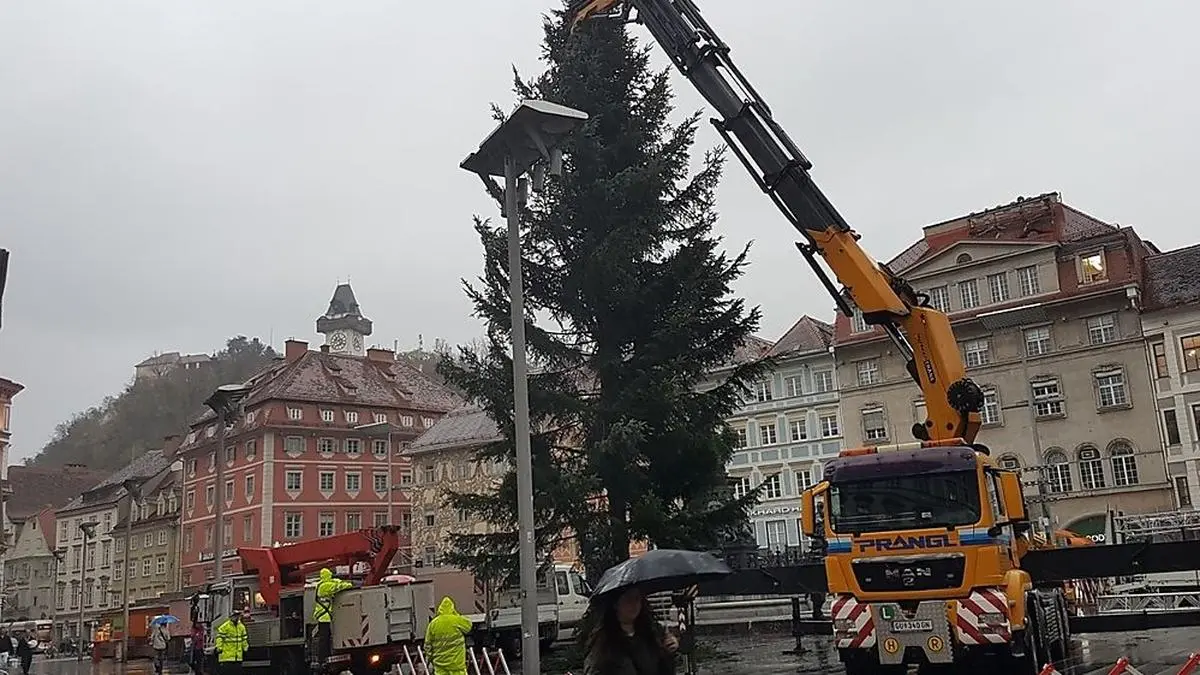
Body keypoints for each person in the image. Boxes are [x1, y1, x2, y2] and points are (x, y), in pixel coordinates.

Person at [580, 587, 678, 675]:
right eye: (628, 599)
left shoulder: (652, 632)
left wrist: (668, 651)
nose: (634, 604)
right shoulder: (603, 640)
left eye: (637, 599)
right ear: (616, 604)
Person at [312, 567, 353, 665]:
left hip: (325, 616)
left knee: (326, 637)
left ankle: (325, 656)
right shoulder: (324, 586)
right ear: (328, 575)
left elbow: (335, 582)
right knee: (324, 638)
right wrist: (350, 584)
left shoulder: (321, 584)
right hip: (324, 617)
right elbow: (337, 587)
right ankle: (322, 658)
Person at [424, 596, 472, 675]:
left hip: (440, 667)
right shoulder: (456, 620)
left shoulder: (433, 624)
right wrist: (456, 614)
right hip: (457, 666)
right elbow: (468, 625)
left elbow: (427, 645)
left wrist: (430, 658)